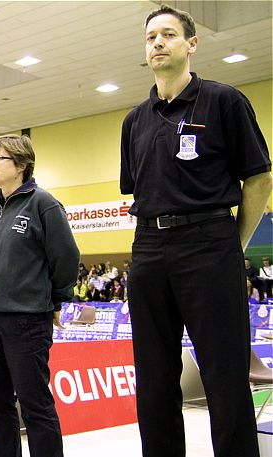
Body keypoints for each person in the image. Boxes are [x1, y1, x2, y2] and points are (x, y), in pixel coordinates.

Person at [120, 5, 272, 456]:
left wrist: (232, 243)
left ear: (192, 43)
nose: (158, 43)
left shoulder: (224, 101)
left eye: (168, 35)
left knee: (224, 375)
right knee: (154, 376)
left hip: (209, 242)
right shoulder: (135, 120)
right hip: (148, 247)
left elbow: (259, 178)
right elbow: (137, 189)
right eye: (151, 38)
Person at [0, 134, 79, 457]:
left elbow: (67, 258)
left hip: (26, 319)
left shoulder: (43, 204)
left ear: (21, 165)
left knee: (34, 405)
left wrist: (58, 299)